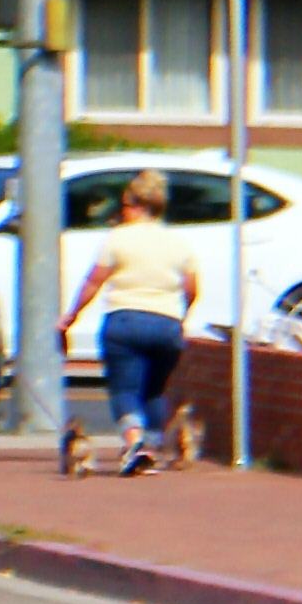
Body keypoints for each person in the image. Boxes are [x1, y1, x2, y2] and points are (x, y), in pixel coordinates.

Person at [55, 170, 203, 476]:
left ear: (135, 204)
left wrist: (71, 316)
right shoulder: (179, 243)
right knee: (155, 390)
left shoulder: (117, 238)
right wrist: (180, 315)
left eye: (124, 205)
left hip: (124, 320)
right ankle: (151, 447)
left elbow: (94, 282)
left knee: (125, 388)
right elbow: (191, 288)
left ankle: (134, 443)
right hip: (166, 323)